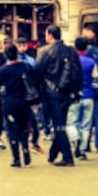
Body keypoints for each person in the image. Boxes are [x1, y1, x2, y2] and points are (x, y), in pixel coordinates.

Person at [37, 26, 83, 167]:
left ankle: (67, 157)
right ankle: (53, 154)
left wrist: (37, 95)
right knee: (61, 123)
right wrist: (77, 92)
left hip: (51, 94)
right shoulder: (71, 51)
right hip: (67, 93)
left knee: (58, 126)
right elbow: (78, 72)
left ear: (50, 35)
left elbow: (38, 72)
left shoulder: (45, 51)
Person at [0, 44, 35, 168]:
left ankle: (16, 158)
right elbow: (34, 82)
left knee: (11, 130)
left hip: (9, 103)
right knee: (23, 128)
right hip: (24, 102)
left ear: (6, 55)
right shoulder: (26, 66)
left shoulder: (4, 69)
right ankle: (25, 150)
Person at [71, 38, 98, 159]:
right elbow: (96, 80)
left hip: (74, 96)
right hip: (89, 96)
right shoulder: (92, 62)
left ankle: (75, 138)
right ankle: (82, 149)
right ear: (86, 48)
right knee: (86, 125)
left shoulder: (72, 61)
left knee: (71, 122)